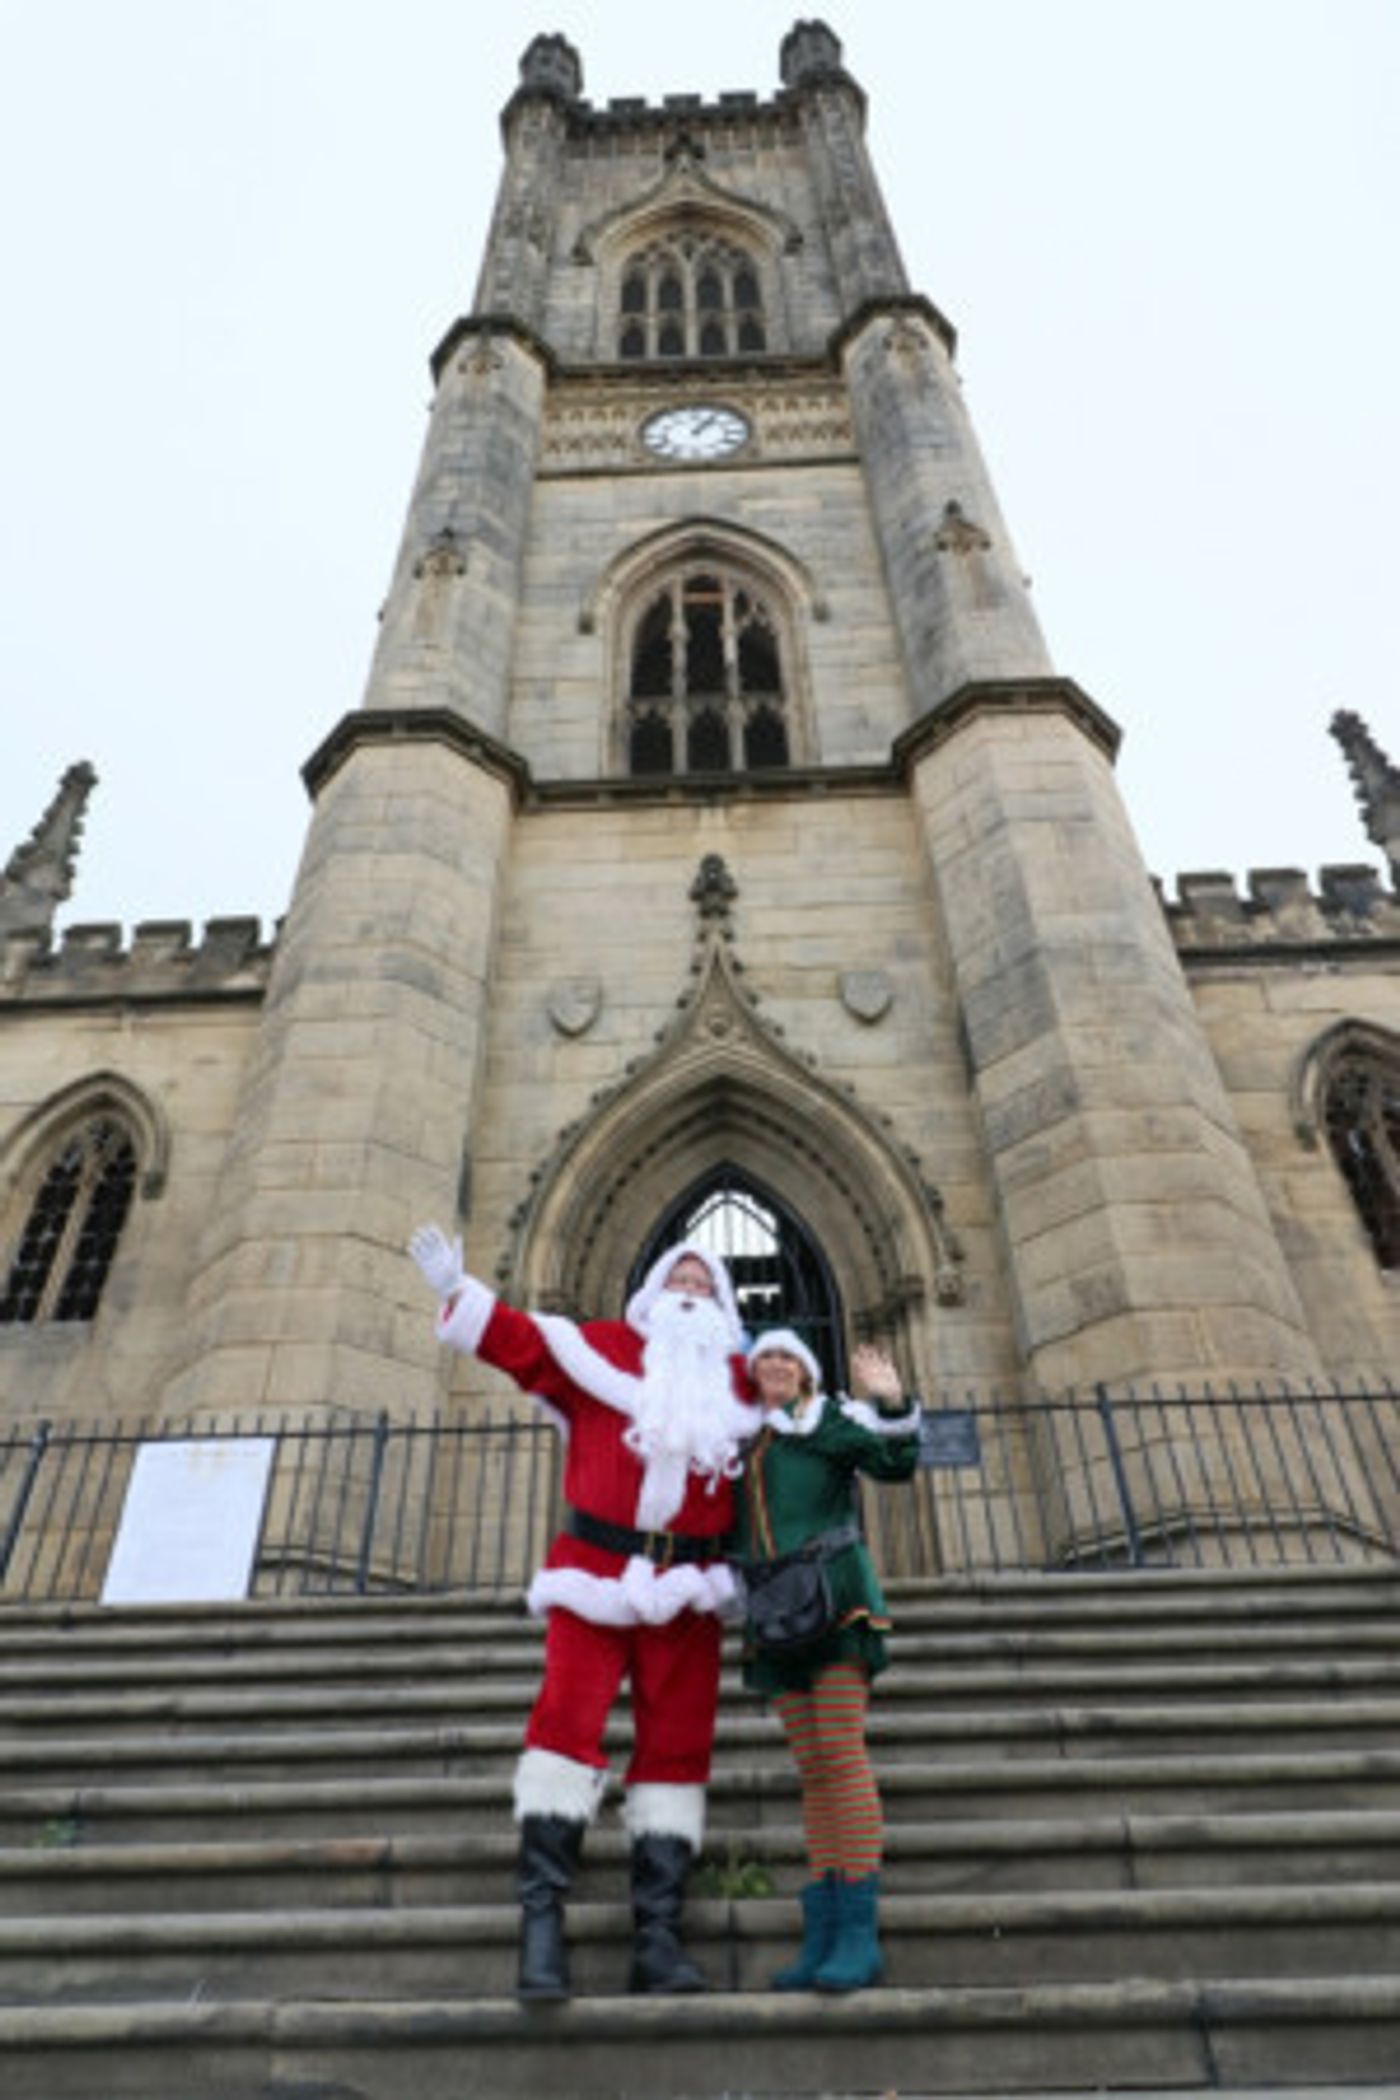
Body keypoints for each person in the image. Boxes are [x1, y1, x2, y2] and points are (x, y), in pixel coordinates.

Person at [408, 1224, 761, 2001]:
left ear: (725, 1305)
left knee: (677, 1752)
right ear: (654, 1291)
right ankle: (541, 1928)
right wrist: (458, 1294)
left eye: (707, 1285)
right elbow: (525, 1342)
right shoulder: (598, 1348)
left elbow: (805, 1425)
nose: (693, 1292)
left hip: (691, 1591)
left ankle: (658, 1937)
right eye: (682, 1279)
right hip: (594, 1576)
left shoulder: (738, 1385)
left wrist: (891, 1414)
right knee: (565, 1733)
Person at [733, 1328, 921, 1994]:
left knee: (841, 1753)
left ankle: (857, 1935)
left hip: (836, 1602)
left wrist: (892, 1404)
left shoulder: (829, 1422)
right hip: (775, 1617)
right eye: (766, 1358)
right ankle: (823, 1930)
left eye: (789, 1357)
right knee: (812, 1767)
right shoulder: (746, 1443)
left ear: (807, 1373)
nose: (777, 1366)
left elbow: (893, 1466)